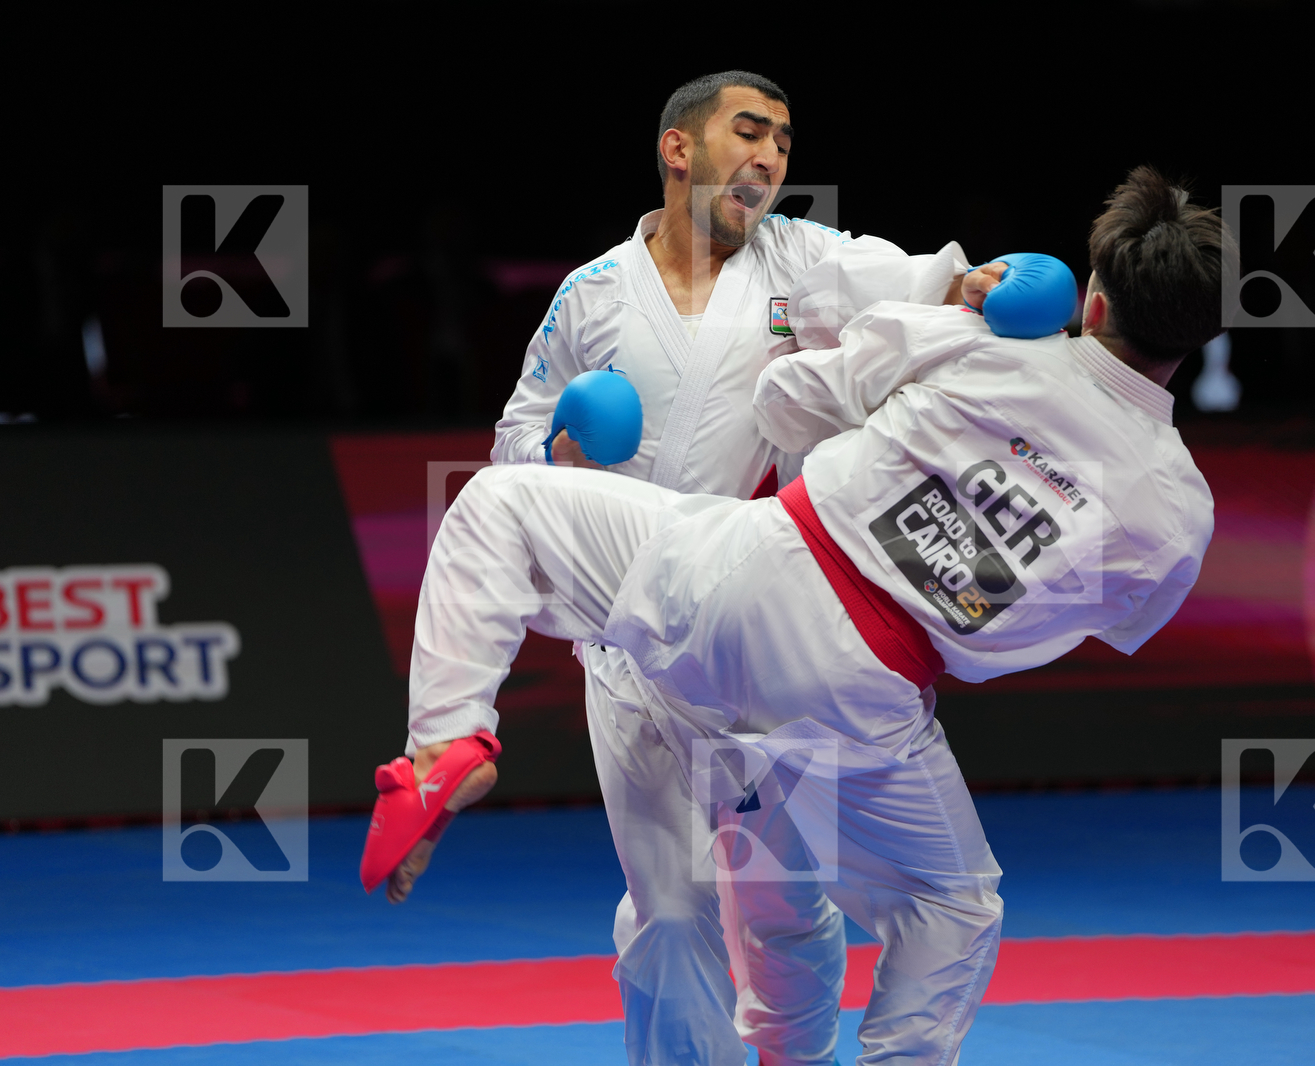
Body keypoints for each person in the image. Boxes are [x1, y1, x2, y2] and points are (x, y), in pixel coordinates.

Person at [382, 165, 1230, 1065]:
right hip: (868, 693)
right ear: (1203, 338)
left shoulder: (986, 343)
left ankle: (447, 741)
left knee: (498, 508)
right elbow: (1107, 623)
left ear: (1092, 300)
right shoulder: (1178, 512)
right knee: (952, 908)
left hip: (747, 573)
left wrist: (932, 354)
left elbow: (783, 403)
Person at [484, 70, 997, 1066]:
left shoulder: (801, 261)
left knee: (785, 910)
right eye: (748, 132)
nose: (768, 156)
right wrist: (551, 453)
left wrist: (972, 283)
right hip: (629, 649)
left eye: (784, 143)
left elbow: (915, 278)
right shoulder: (589, 294)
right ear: (680, 150)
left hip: (754, 644)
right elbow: (516, 429)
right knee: (670, 917)